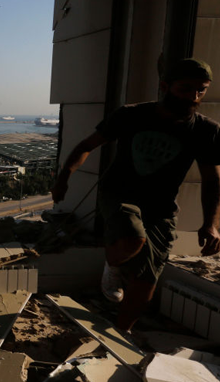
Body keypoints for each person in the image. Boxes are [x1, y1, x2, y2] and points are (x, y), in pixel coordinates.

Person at [51, 58, 220, 332]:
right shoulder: (131, 115)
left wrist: (210, 224)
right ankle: (112, 265)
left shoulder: (206, 131)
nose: (194, 96)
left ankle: (122, 334)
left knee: (147, 282)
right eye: (186, 89)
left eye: (201, 90)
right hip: (119, 192)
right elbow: (86, 145)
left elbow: (212, 179)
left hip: (162, 207)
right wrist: (63, 178)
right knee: (133, 239)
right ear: (165, 86)